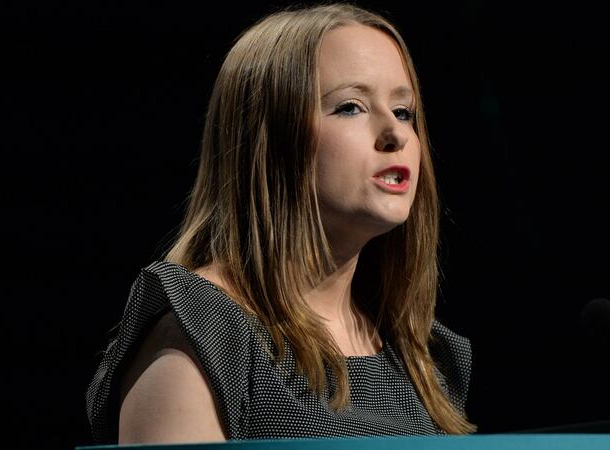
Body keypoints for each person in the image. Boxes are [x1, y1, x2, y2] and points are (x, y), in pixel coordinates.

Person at [86, 3, 476, 444]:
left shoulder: (424, 356)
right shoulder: (204, 332)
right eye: (351, 107)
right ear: (270, 140)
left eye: (404, 111)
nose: (396, 134)